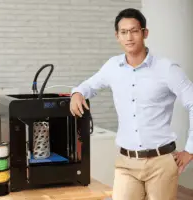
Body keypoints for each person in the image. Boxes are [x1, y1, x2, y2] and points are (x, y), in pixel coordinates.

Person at [70, 8, 193, 200]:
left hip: (161, 162)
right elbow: (89, 85)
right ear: (117, 36)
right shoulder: (112, 66)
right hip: (126, 162)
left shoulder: (167, 69)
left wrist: (190, 150)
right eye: (124, 32)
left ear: (145, 33)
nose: (129, 37)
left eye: (134, 31)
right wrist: (77, 93)